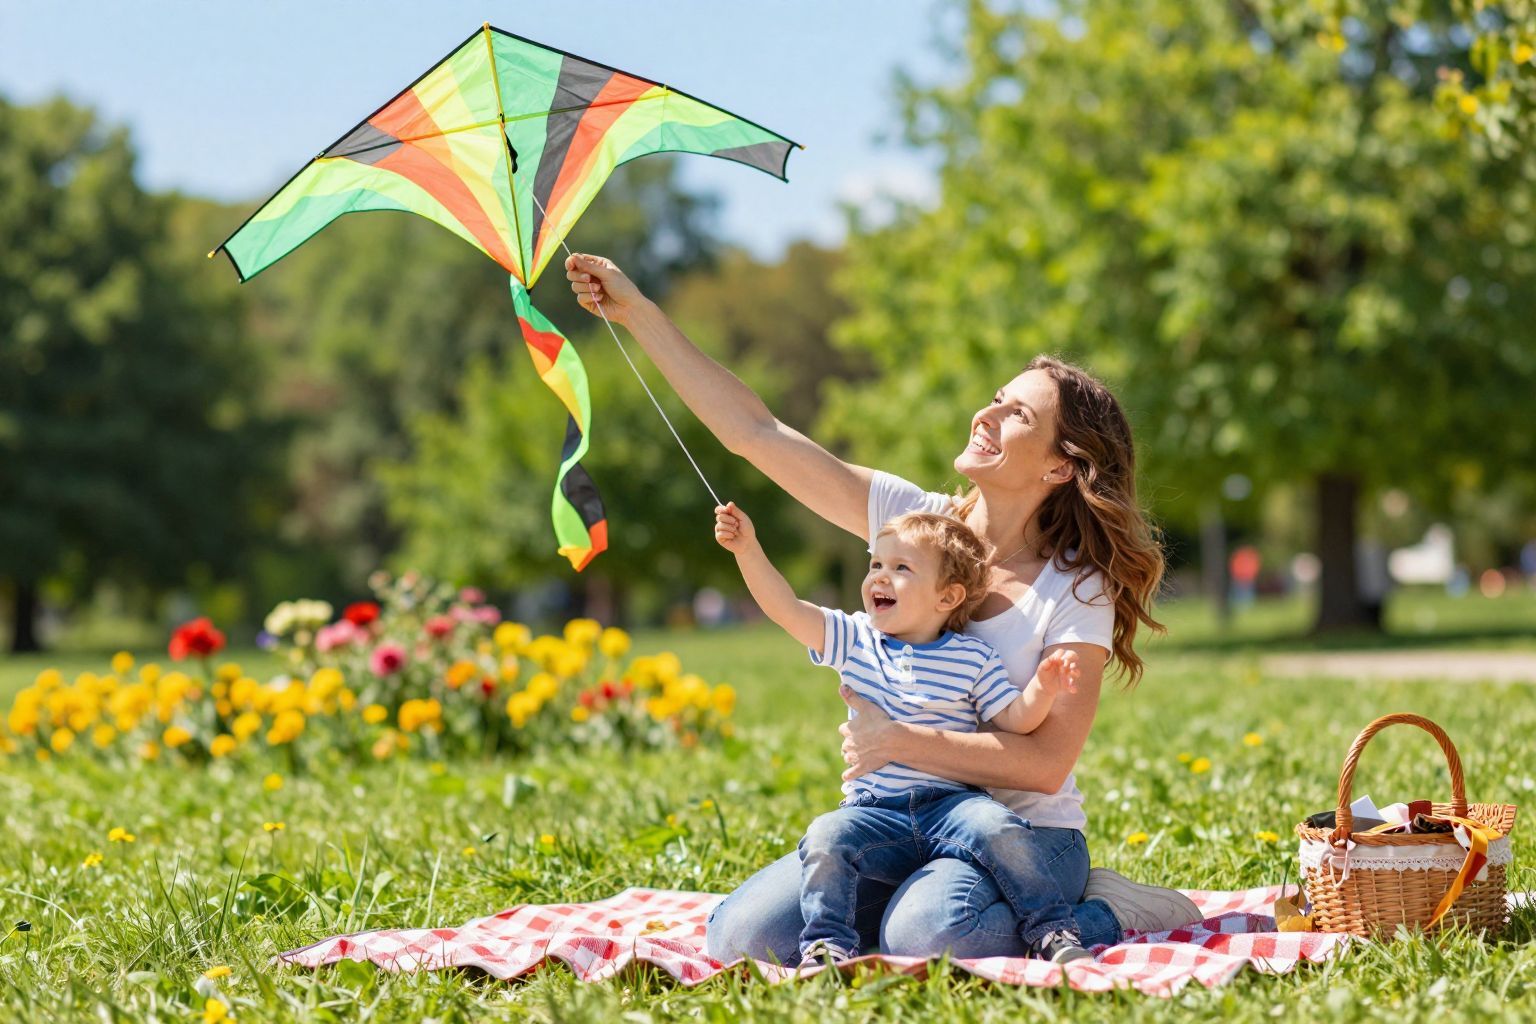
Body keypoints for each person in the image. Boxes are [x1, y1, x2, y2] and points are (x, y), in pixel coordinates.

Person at [564, 252, 1202, 964]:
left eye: (1016, 413)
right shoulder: (913, 524)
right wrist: (638, 314)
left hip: (1023, 838)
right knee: (742, 937)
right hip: (898, 822)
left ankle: (1101, 910)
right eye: (995, 397)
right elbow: (756, 433)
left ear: (1060, 465)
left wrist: (897, 741)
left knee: (930, 936)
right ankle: (907, 904)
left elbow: (1047, 764)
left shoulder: (1076, 588)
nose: (986, 415)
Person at [715, 502, 1092, 964]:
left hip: (951, 806)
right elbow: (786, 609)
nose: (879, 577)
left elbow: (1016, 719)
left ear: (947, 597)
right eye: (876, 564)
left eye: (900, 568)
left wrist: (1043, 686)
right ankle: (828, 944)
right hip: (875, 811)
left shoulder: (973, 657)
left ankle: (1053, 930)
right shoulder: (855, 639)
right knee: (826, 835)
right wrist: (747, 550)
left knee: (998, 826)